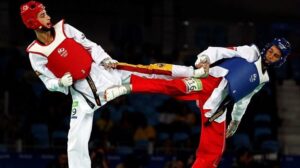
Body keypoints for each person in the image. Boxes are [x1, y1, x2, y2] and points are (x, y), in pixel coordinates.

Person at [19, 1, 207, 168]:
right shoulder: (35, 53)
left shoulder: (64, 29)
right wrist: (59, 83)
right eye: (43, 15)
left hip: (104, 74)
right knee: (75, 141)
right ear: (32, 22)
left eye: (46, 13)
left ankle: (192, 73)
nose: (48, 16)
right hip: (83, 95)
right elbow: (47, 82)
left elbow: (91, 46)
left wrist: (105, 59)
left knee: (149, 71)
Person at [105, 37, 291, 167]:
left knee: (215, 151)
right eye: (271, 51)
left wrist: (236, 119)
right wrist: (204, 59)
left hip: (219, 106)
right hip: (208, 82)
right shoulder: (251, 52)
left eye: (276, 56)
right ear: (268, 47)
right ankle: (128, 85)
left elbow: (245, 97)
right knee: (174, 86)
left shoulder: (264, 79)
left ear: (280, 61)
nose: (270, 56)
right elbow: (219, 51)